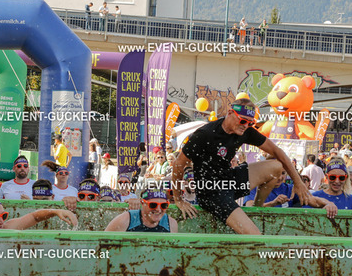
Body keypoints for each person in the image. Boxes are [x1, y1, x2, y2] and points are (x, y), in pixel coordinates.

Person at [173, 99, 314, 235]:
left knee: (276, 167)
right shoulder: (205, 134)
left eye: (250, 123)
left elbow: (277, 152)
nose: (245, 126)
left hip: (229, 180)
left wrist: (298, 182)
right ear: (230, 113)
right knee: (254, 236)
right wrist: (178, 200)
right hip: (211, 191)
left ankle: (257, 208)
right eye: (242, 121)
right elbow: (178, 164)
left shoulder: (245, 131)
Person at [0, 196, 77, 230]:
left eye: (4, 216)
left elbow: (34, 217)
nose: (1, 221)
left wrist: (56, 211)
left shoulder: (7, 228)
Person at [105, 190, 178, 232]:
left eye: (163, 205)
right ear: (142, 203)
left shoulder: (171, 224)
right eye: (153, 205)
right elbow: (103, 245)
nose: (158, 210)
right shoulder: (125, 220)